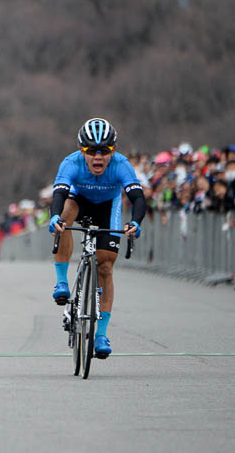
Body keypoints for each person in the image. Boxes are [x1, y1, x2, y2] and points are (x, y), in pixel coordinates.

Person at [48, 118, 146, 359]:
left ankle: (101, 334)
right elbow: (59, 194)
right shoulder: (70, 163)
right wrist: (54, 218)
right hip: (78, 201)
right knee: (64, 219)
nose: (98, 157)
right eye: (92, 151)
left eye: (105, 151)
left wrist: (135, 222)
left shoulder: (121, 165)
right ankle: (62, 282)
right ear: (83, 151)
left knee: (105, 267)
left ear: (113, 150)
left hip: (107, 207)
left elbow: (138, 198)